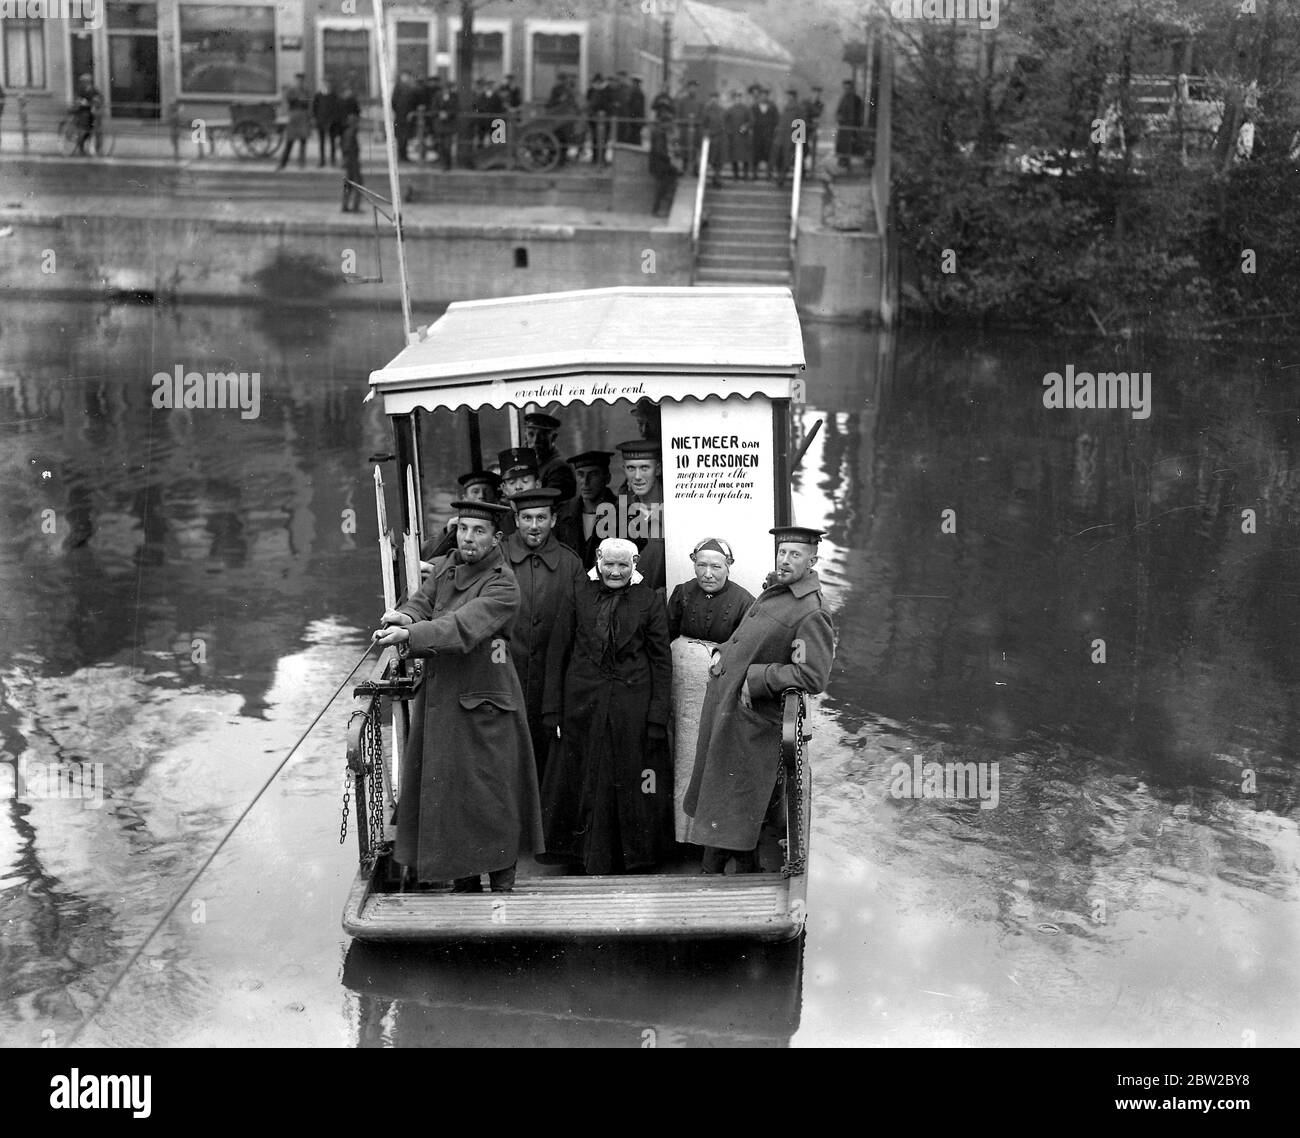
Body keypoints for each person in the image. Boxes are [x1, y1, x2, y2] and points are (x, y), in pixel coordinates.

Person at [373, 499, 543, 893]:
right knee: (452, 793)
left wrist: (411, 635)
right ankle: (465, 886)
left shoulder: (503, 584)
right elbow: (423, 602)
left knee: (491, 794)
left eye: (478, 531)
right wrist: (405, 616)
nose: (467, 538)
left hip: (487, 702)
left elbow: (461, 627)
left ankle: (502, 889)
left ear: (496, 538)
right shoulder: (448, 566)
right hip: (445, 698)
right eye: (463, 529)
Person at [684, 525, 835, 875]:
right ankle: (735, 865)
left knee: (733, 796)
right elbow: (752, 637)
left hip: (751, 719)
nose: (785, 560)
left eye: (795, 554)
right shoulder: (777, 590)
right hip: (728, 708)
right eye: (782, 552)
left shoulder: (811, 611)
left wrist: (761, 678)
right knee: (723, 793)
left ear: (812, 561)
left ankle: (716, 872)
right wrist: (724, 651)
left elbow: (812, 675)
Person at [540, 537, 672, 874]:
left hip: (631, 705)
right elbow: (558, 650)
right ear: (598, 560)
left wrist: (657, 716)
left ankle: (633, 857)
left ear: (635, 564)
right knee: (584, 774)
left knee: (632, 777)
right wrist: (552, 709)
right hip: (582, 702)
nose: (615, 572)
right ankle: (581, 856)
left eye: (622, 565)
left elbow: (661, 661)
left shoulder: (649, 600)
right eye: (609, 564)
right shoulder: (578, 592)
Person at [666, 538, 756, 842]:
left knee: (708, 751)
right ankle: (677, 832)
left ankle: (705, 835)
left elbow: (746, 646)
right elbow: (665, 635)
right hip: (681, 686)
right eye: (701, 565)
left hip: (717, 684)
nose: (707, 573)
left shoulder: (744, 600)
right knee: (679, 750)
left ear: (728, 566)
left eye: (716, 566)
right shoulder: (682, 593)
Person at [504, 486, 585, 781]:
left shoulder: (570, 564)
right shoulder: (497, 557)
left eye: (541, 518)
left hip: (551, 686)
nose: (534, 526)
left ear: (553, 520)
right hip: (505, 679)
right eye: (527, 518)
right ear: (516, 520)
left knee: (548, 763)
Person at [422, 469, 510, 563]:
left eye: (487, 491)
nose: (481, 496)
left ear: (496, 497)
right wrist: (447, 534)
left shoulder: (507, 524)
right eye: (475, 491)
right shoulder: (455, 527)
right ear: (464, 498)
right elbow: (425, 558)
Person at [615, 438, 665, 592]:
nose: (637, 476)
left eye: (644, 468)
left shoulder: (672, 512)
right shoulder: (620, 512)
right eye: (631, 468)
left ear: (658, 469)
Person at [523, 412, 577, 502]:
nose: (535, 441)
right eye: (531, 434)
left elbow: (546, 504)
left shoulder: (560, 467)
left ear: (553, 438)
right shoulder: (532, 463)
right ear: (526, 437)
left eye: (542, 435)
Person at [648, 108, 679, 217]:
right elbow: (659, 150)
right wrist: (669, 157)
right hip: (659, 164)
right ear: (664, 123)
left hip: (659, 163)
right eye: (669, 123)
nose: (670, 125)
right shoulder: (659, 133)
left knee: (668, 180)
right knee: (663, 185)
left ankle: (662, 204)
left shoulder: (659, 132)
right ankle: (657, 208)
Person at [771, 88, 801, 188]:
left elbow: (801, 125)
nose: (788, 98)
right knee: (779, 158)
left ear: (793, 97)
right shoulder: (785, 107)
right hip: (781, 138)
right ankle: (780, 178)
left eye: (790, 96)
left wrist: (798, 140)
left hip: (790, 138)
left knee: (787, 160)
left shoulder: (798, 109)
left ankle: (781, 179)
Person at [835, 78, 864, 170]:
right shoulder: (843, 98)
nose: (846, 90)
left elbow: (859, 114)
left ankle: (846, 162)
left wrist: (856, 125)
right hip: (843, 126)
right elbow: (839, 110)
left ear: (851, 88)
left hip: (851, 126)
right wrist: (839, 117)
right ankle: (842, 160)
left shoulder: (856, 99)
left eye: (848, 88)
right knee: (842, 145)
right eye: (845, 88)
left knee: (849, 145)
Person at [723, 89, 752, 180]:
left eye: (739, 98)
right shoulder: (730, 110)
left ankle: (745, 175)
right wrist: (729, 130)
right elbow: (725, 122)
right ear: (734, 99)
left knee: (745, 157)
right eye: (736, 98)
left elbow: (751, 120)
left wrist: (746, 126)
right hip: (734, 137)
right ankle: (736, 175)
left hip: (743, 137)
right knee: (734, 157)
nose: (737, 99)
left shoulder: (746, 109)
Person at [71, 72, 102, 157]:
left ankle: (96, 148)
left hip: (91, 111)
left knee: (94, 129)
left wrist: (97, 100)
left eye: (88, 81)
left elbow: (99, 96)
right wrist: (81, 102)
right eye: (84, 81)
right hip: (82, 111)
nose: (86, 83)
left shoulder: (93, 89)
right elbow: (77, 100)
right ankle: (81, 148)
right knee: (84, 129)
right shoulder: (80, 90)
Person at [392, 70, 419, 162]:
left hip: (406, 115)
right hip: (401, 115)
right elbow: (394, 102)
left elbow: (413, 101)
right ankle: (401, 155)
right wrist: (399, 112)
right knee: (401, 137)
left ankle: (403, 155)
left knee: (405, 136)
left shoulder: (410, 87)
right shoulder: (399, 87)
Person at [751, 86, 777, 180]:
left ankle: (768, 174)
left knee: (769, 155)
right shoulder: (754, 106)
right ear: (760, 96)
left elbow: (776, 120)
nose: (764, 97)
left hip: (768, 135)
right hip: (757, 135)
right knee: (756, 155)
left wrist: (773, 131)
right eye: (762, 95)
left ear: (767, 96)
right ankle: (754, 174)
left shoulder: (772, 106)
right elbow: (751, 120)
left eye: (765, 95)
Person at [677, 79, 703, 173]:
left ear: (696, 89)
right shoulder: (683, 101)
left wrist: (699, 124)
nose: (692, 89)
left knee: (695, 148)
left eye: (694, 88)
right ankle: (684, 167)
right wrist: (680, 125)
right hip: (684, 129)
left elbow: (702, 115)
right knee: (684, 148)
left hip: (696, 129)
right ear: (688, 89)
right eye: (690, 87)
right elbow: (679, 114)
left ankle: (695, 168)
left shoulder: (700, 101)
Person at [312, 80, 340, 166]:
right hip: (321, 121)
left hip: (331, 122)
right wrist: (315, 119)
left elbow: (337, 108)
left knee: (332, 142)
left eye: (328, 84)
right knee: (322, 142)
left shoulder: (334, 95)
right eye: (325, 84)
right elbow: (314, 108)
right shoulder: (318, 95)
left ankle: (333, 160)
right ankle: (322, 160)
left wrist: (334, 119)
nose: (327, 86)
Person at [431, 82, 458, 170]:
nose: (446, 90)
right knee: (440, 145)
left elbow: (455, 108)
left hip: (449, 124)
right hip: (439, 124)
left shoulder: (454, 96)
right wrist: (439, 113)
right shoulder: (437, 96)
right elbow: (433, 108)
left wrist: (448, 114)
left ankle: (447, 164)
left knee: (447, 145)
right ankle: (443, 163)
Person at [701, 90, 725, 188]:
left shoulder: (722, 110)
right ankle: (712, 177)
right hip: (710, 138)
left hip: (721, 138)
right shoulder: (706, 110)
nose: (714, 100)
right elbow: (703, 124)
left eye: (716, 98)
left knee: (719, 159)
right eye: (712, 98)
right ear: (710, 99)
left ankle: (717, 177)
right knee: (711, 159)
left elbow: (725, 123)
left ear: (718, 99)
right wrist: (706, 135)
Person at [340, 110, 363, 212]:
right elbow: (348, 148)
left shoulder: (348, 132)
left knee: (348, 185)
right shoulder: (351, 133)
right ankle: (355, 206)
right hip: (352, 162)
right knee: (358, 184)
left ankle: (345, 205)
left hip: (350, 162)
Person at [804, 86, 824, 172]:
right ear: (811, 93)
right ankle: (802, 166)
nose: (816, 95)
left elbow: (817, 115)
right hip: (803, 127)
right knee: (802, 147)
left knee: (812, 147)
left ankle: (810, 167)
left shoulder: (820, 104)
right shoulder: (805, 102)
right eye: (815, 93)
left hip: (812, 129)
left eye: (818, 93)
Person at [627, 77, 646, 146]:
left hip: (636, 118)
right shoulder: (634, 92)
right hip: (635, 118)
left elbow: (637, 107)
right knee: (633, 135)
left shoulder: (638, 93)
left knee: (635, 135)